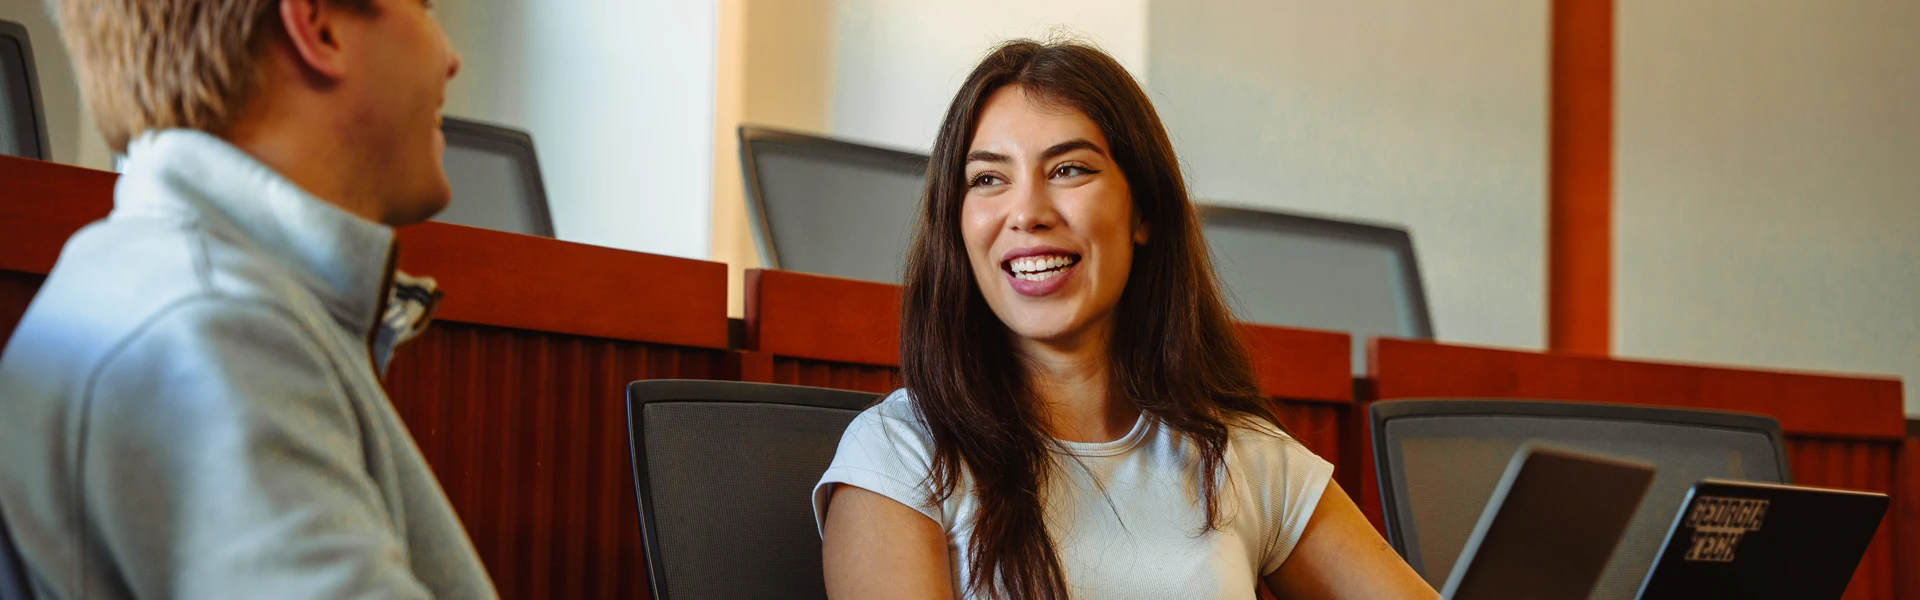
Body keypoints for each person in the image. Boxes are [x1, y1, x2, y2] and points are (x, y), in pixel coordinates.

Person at [813, 40, 1439, 599]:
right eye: (987, 178)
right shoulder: (899, 455)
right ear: (957, 224)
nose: (1026, 211)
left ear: (1144, 214)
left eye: (1069, 169)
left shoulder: (1241, 455)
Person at [0, 0, 496, 598]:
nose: (453, 56)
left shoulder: (185, 287)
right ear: (318, 27)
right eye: (423, 7)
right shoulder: (212, 329)